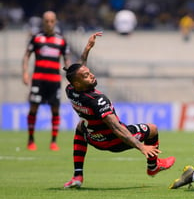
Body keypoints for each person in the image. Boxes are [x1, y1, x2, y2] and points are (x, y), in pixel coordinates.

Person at [63, 32, 175, 188]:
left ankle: (77, 176)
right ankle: (153, 167)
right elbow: (116, 128)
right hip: (114, 142)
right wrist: (141, 147)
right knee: (153, 129)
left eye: (90, 72)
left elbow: (76, 70)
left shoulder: (71, 89)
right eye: (87, 76)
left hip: (94, 138)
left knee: (81, 127)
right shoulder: (98, 100)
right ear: (78, 82)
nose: (92, 76)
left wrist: (87, 49)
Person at [22, 11, 71, 151]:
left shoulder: (61, 40)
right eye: (47, 21)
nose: (49, 23)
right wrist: (25, 73)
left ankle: (53, 142)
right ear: (43, 22)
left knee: (55, 109)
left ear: (55, 22)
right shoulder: (36, 38)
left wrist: (70, 77)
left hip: (54, 80)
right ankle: (31, 140)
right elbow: (26, 55)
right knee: (33, 108)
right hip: (38, 79)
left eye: (52, 21)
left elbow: (67, 59)